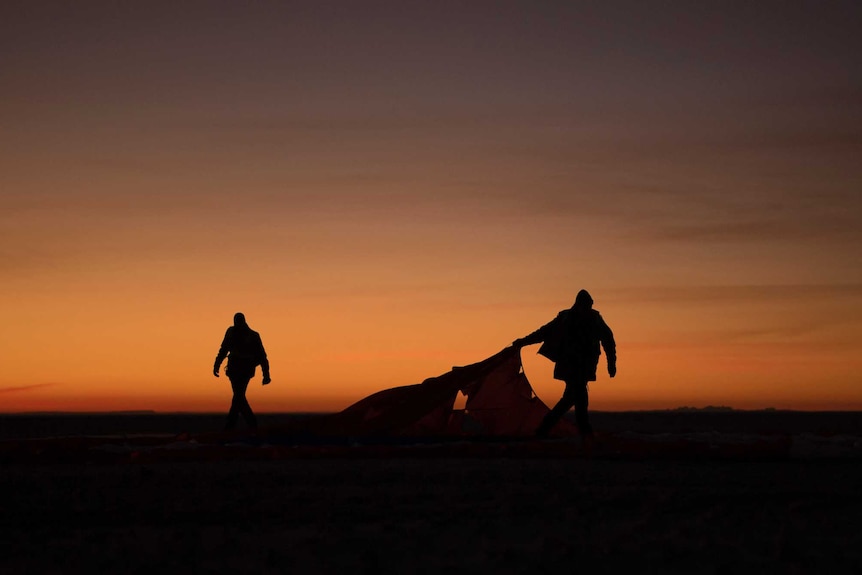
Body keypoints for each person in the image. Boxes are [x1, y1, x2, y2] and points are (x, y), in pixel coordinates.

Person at [513, 289, 616, 439]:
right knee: (578, 399)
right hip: (570, 366)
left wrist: (611, 363)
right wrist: (523, 341)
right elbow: (544, 332)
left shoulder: (595, 319)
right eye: (585, 305)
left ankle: (547, 430)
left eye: (589, 305)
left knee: (572, 399)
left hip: (584, 367)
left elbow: (608, 341)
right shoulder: (565, 318)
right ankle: (581, 433)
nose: (587, 308)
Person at [213, 312, 271, 430]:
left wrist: (266, 375)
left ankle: (240, 425)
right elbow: (223, 349)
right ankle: (238, 425)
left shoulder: (253, 336)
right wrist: (217, 364)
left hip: (245, 371)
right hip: (234, 370)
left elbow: (262, 356)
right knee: (239, 396)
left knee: (238, 396)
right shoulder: (231, 332)